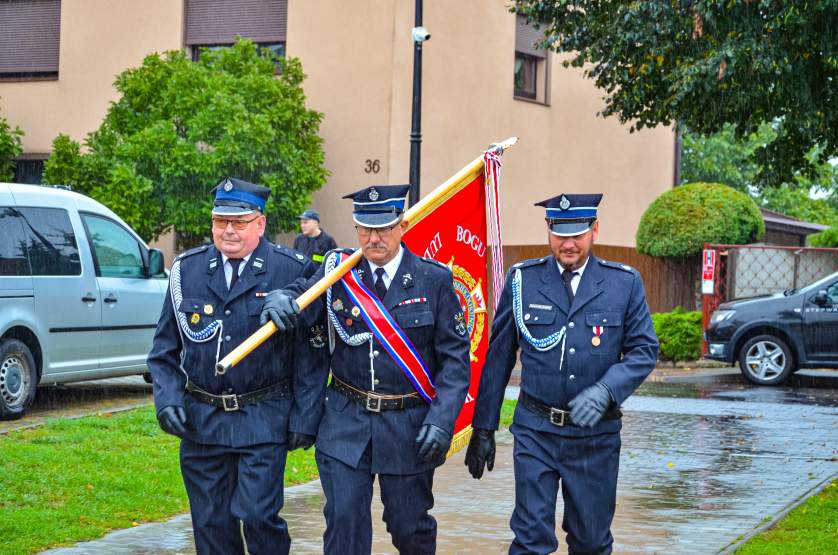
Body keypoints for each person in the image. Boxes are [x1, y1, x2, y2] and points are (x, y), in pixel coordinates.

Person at [261, 185, 471, 555]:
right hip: (346, 420)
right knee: (345, 525)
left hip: (408, 424)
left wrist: (441, 421)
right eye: (364, 229)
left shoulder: (433, 279)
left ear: (402, 225)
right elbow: (303, 297)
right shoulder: (337, 272)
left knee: (410, 528)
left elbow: (455, 362)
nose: (374, 238)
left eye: (384, 228)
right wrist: (281, 299)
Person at [465, 193, 659, 555]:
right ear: (548, 230)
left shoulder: (623, 283)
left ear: (595, 230)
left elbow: (644, 350)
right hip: (536, 430)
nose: (568, 244)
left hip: (595, 438)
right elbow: (499, 356)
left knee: (590, 541)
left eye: (578, 234)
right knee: (530, 538)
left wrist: (606, 391)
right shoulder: (524, 279)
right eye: (560, 233)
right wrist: (483, 427)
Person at [147, 177, 327, 555]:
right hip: (202, 421)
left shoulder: (288, 271)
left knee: (259, 517)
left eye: (239, 222)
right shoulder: (188, 270)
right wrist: (167, 401)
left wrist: (304, 417)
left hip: (262, 417)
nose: (228, 230)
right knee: (211, 525)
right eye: (219, 221)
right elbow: (164, 350)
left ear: (259, 224)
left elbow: (310, 355)